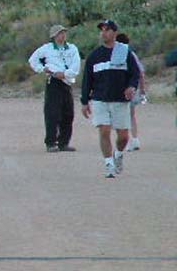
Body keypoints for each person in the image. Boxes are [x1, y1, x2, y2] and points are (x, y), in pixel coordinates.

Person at [80, 19, 140, 178]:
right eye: (102, 30)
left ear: (114, 33)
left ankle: (118, 155)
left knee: (123, 137)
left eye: (107, 30)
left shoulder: (124, 52)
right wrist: (85, 101)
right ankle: (108, 164)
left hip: (120, 100)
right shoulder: (94, 55)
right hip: (100, 99)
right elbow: (87, 79)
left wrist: (132, 86)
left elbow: (135, 73)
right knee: (104, 130)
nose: (103, 33)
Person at [27, 24, 81, 152]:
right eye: (59, 33)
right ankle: (51, 142)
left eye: (63, 33)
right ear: (54, 36)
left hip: (66, 82)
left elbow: (76, 65)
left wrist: (66, 74)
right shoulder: (47, 48)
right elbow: (33, 60)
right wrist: (42, 69)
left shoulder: (72, 48)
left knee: (68, 113)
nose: (62, 35)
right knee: (52, 113)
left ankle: (64, 142)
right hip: (54, 82)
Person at [115, 33, 146, 151]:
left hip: (124, 89)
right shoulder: (132, 54)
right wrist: (142, 89)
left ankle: (128, 140)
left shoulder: (120, 55)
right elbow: (141, 73)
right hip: (133, 88)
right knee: (131, 115)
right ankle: (135, 139)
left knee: (124, 115)